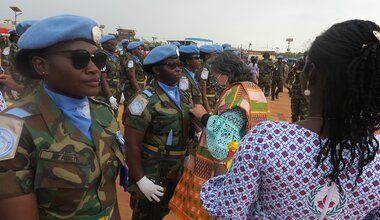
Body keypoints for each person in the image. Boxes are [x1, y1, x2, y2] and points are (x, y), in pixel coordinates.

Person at [200, 20, 380, 219]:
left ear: (312, 73)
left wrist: (223, 178)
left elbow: (230, 214)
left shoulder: (265, 140)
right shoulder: (375, 156)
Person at [0, 14, 127, 220]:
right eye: (80, 59)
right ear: (42, 65)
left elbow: (107, 193)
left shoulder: (103, 114)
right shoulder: (13, 128)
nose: (94, 69)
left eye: (98, 59)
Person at [169, 51, 270, 220]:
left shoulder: (236, 92)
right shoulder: (253, 88)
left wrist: (204, 117)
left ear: (227, 72)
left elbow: (226, 138)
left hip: (229, 164)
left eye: (216, 73)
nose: (215, 78)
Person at [123, 45, 192, 220]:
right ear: (156, 69)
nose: (178, 69)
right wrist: (140, 179)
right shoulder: (145, 100)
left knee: (161, 213)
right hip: (152, 172)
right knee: (144, 216)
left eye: (179, 64)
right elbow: (131, 144)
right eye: (171, 65)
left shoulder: (182, 96)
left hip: (174, 170)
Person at [97, 35, 122, 114]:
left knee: (114, 114)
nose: (115, 46)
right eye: (112, 44)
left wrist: (121, 91)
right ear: (104, 45)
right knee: (104, 114)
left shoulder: (115, 56)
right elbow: (103, 79)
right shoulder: (101, 56)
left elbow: (119, 74)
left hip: (116, 90)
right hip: (105, 92)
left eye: (115, 44)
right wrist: (110, 96)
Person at [288, 53, 309, 122]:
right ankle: (294, 130)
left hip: (306, 96)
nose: (306, 60)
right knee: (294, 115)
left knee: (304, 117)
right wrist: (295, 69)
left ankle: (303, 131)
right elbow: (289, 76)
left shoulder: (313, 68)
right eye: (305, 58)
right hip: (296, 93)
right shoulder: (298, 66)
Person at [197, 45, 217, 112]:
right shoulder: (204, 69)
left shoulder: (209, 66)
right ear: (206, 56)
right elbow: (203, 91)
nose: (215, 56)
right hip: (208, 101)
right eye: (213, 54)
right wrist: (209, 111)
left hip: (211, 99)